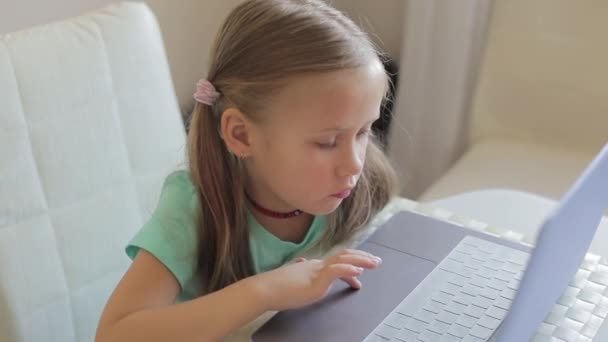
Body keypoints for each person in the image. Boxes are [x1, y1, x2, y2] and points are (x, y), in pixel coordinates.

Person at [96, 0, 398, 340]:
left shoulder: (355, 179)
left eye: (363, 131)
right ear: (241, 134)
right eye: (327, 142)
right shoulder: (193, 210)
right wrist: (263, 292)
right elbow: (114, 334)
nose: (355, 163)